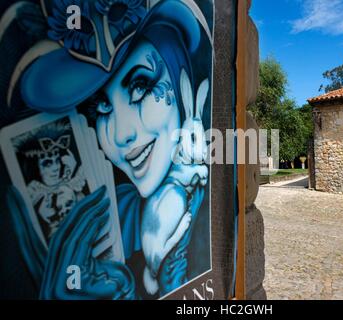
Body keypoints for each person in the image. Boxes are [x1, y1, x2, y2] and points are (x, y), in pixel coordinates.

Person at [4, 0, 213, 300]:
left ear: (182, 82)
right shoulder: (112, 217)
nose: (122, 134)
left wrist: (165, 274)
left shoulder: (208, 200)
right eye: (102, 106)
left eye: (140, 86)